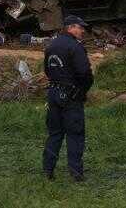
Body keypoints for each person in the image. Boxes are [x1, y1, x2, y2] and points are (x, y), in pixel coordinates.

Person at [42, 15, 93, 182]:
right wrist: (83, 90)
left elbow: (48, 70)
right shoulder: (75, 47)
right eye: (80, 27)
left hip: (53, 93)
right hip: (71, 94)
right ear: (70, 27)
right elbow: (84, 73)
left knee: (54, 133)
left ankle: (48, 170)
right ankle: (76, 172)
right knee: (75, 133)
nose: (83, 30)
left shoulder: (52, 45)